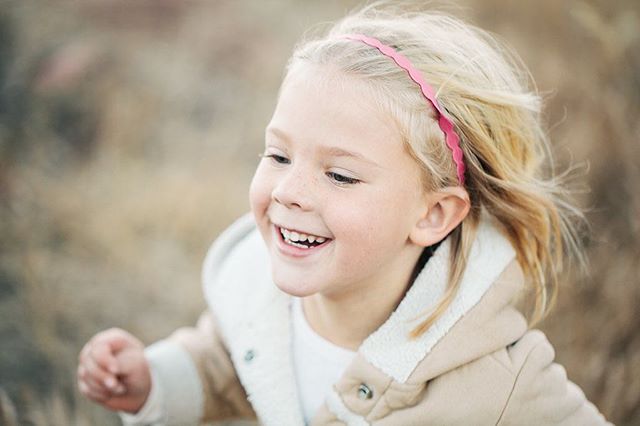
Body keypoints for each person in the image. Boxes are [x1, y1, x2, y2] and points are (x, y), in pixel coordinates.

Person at [77, 3, 611, 425]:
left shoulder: (501, 380)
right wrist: (153, 380)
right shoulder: (262, 302)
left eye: (340, 176)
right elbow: (232, 362)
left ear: (432, 215)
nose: (290, 191)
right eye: (279, 155)